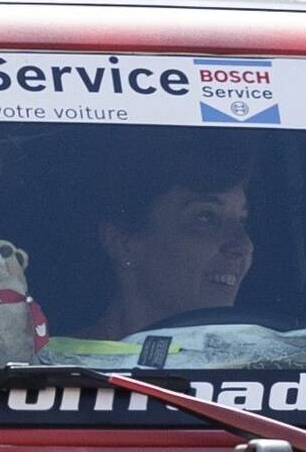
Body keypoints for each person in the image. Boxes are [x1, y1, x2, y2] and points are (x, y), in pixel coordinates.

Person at [86, 142, 262, 343]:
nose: (244, 245)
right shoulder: (56, 364)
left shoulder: (269, 365)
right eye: (206, 217)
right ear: (124, 245)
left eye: (242, 220)